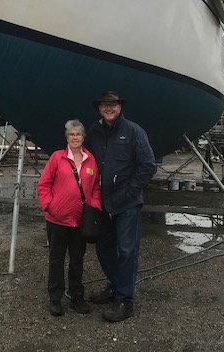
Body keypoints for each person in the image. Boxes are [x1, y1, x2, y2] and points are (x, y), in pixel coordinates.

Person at [84, 91, 157, 322]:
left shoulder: (134, 131)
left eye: (113, 105)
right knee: (103, 249)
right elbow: (85, 162)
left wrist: (129, 192)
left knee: (127, 251)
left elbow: (148, 166)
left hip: (127, 204)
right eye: (105, 105)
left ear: (120, 107)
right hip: (102, 203)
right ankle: (117, 286)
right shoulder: (93, 132)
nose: (109, 108)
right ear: (99, 108)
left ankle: (125, 300)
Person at [36, 119, 101, 317]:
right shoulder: (57, 158)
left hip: (80, 220)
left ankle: (77, 296)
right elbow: (43, 184)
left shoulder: (91, 160)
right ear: (67, 137)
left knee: (77, 260)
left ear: (83, 137)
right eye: (72, 134)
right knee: (56, 259)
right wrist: (49, 205)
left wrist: (95, 207)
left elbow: (95, 188)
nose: (75, 138)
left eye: (78, 134)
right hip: (57, 220)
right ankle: (55, 298)